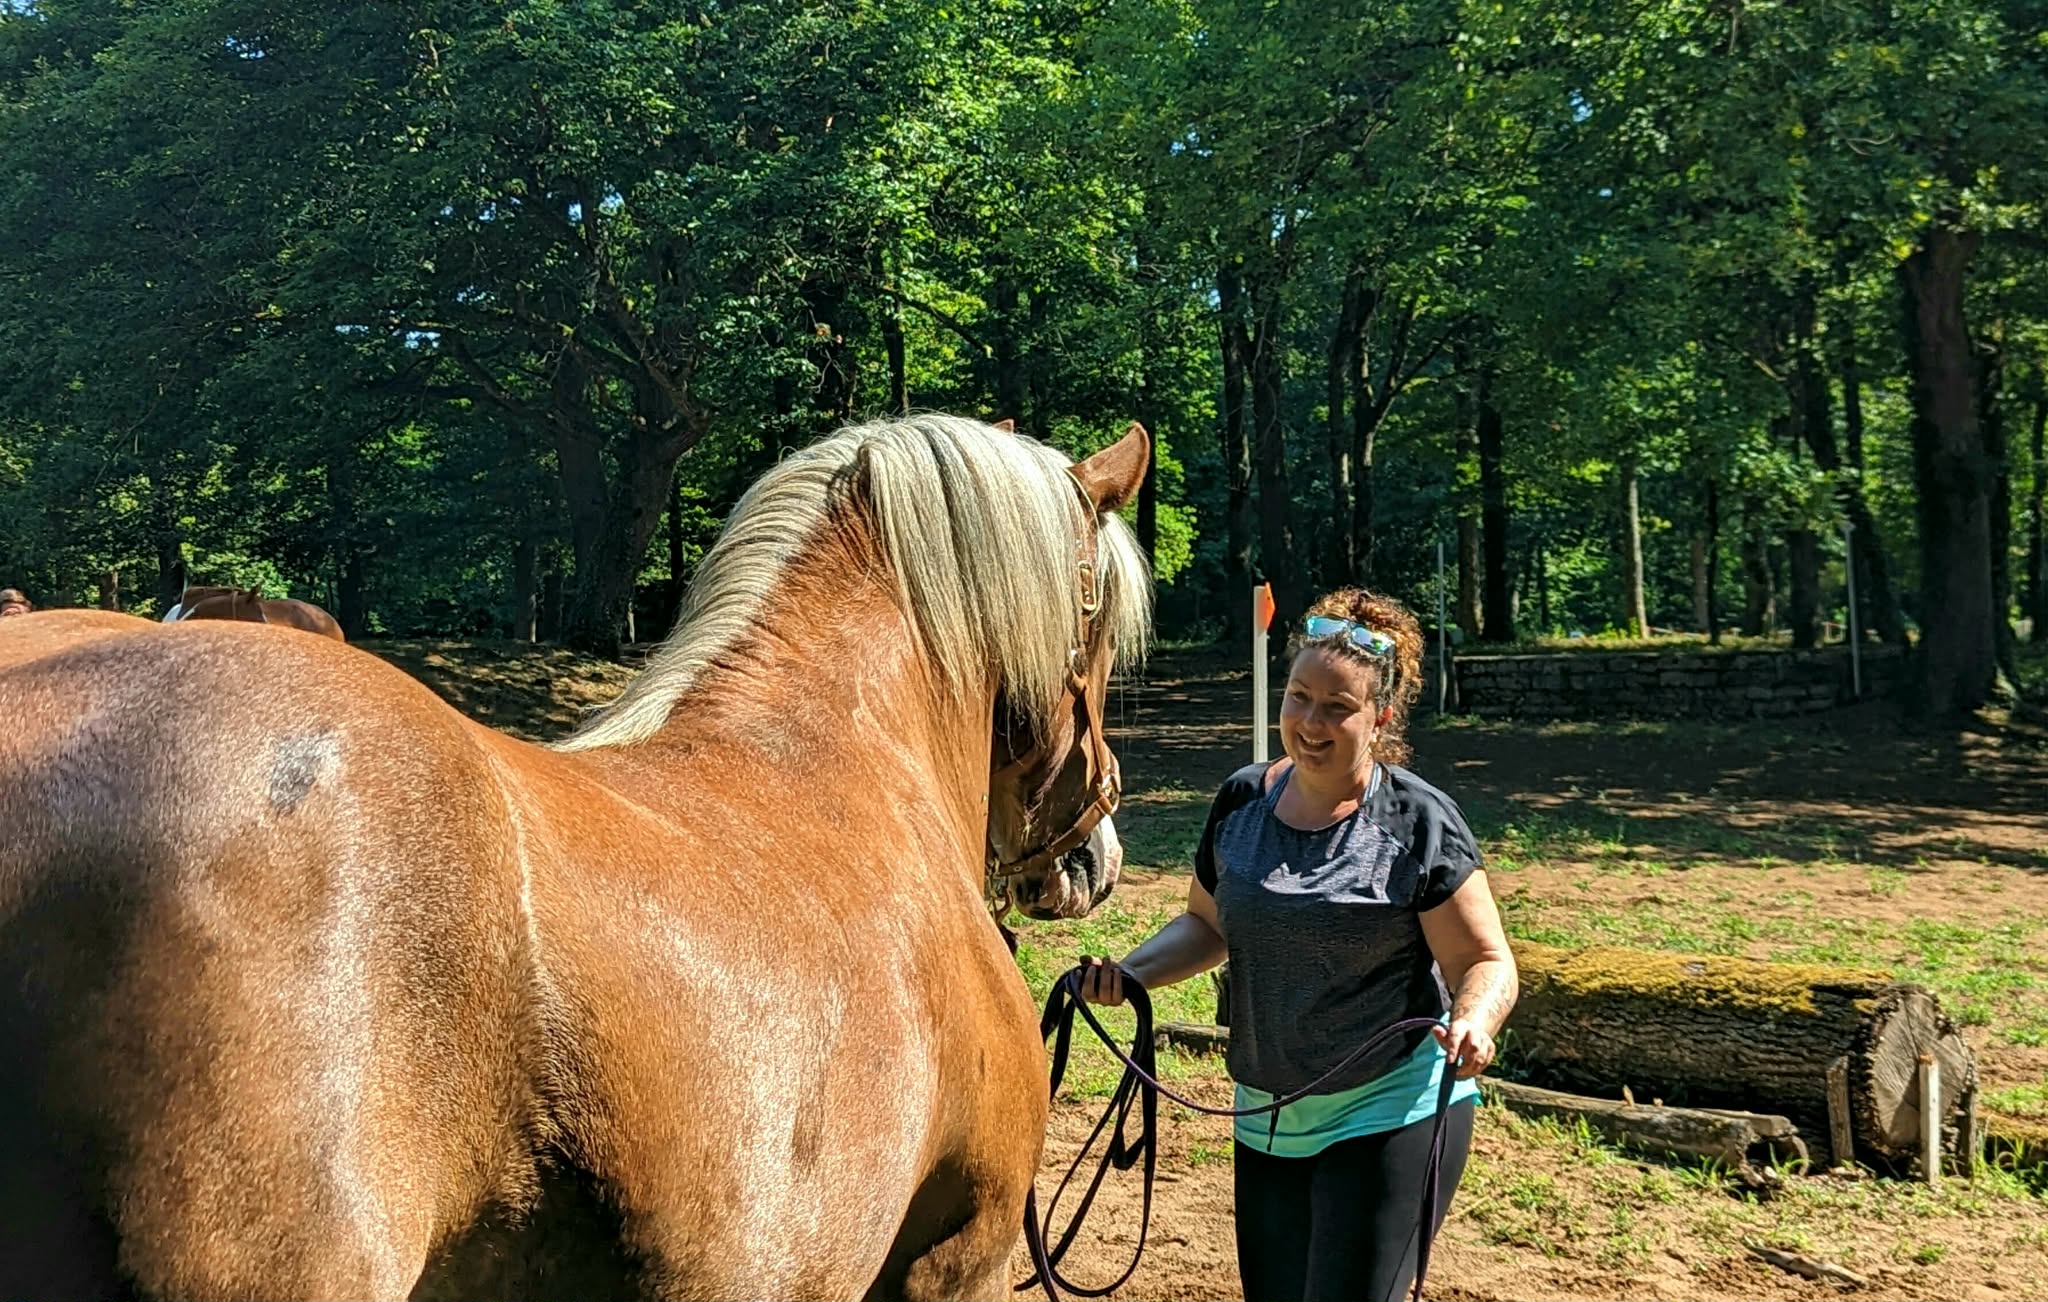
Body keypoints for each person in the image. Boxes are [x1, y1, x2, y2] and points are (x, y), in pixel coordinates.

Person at [1079, 587, 1518, 1302]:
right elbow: (1209, 926)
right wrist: (1129, 974)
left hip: (1388, 1106)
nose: (1310, 722)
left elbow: (1483, 960)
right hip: (1267, 1117)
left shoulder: (1417, 821)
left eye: (1338, 708)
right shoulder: (1242, 800)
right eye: (1299, 697)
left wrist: (1474, 1018)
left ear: (1379, 718)